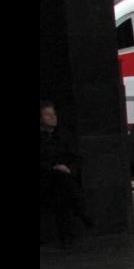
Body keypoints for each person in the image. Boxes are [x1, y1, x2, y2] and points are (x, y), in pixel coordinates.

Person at [40, 100, 91, 246]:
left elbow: (76, 157)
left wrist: (68, 168)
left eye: (53, 114)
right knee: (62, 183)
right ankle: (82, 211)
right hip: (46, 178)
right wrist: (54, 167)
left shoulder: (62, 136)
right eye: (47, 115)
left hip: (61, 180)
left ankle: (67, 235)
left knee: (62, 187)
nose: (52, 117)